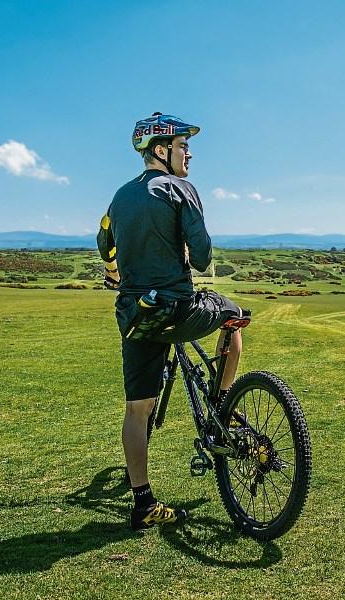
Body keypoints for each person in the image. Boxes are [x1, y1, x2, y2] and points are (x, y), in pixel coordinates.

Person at [97, 113, 244, 531]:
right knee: (234, 316)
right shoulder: (181, 189)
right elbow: (202, 257)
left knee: (137, 408)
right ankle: (223, 402)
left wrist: (114, 273)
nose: (189, 154)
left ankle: (143, 504)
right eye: (183, 146)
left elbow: (105, 240)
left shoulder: (119, 198)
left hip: (136, 316)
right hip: (179, 310)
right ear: (161, 150)